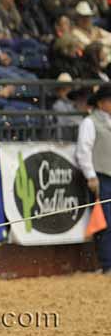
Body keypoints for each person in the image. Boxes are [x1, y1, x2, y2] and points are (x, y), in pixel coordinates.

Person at [76, 86, 111, 274]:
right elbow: (84, 151)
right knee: (106, 221)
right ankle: (108, 264)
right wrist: (91, 175)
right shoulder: (90, 123)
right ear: (101, 103)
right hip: (102, 176)